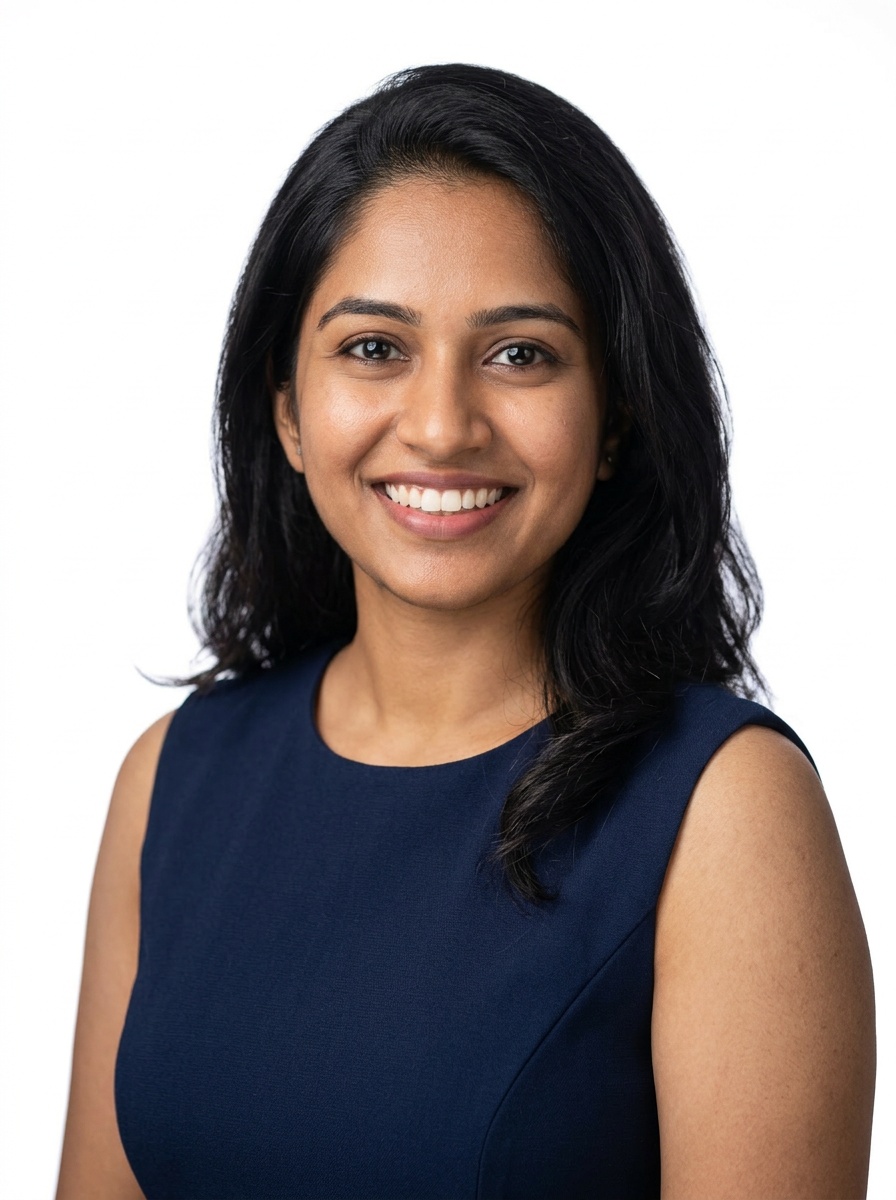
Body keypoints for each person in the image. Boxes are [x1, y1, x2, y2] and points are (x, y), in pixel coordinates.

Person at [56, 64, 875, 1199]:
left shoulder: (723, 807)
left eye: (520, 353)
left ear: (614, 418)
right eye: (373, 348)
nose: (441, 426)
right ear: (287, 409)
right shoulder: (171, 778)